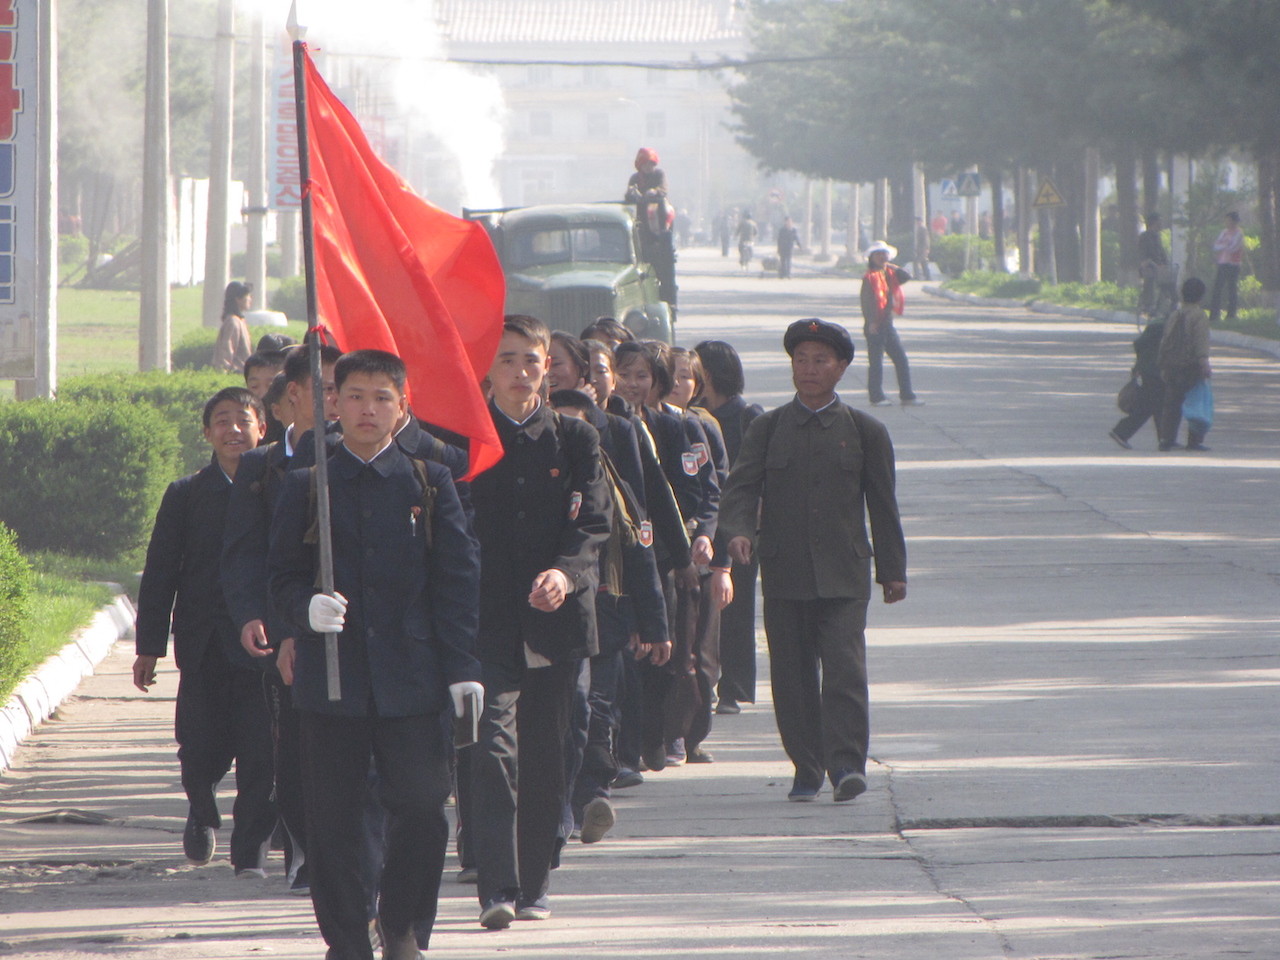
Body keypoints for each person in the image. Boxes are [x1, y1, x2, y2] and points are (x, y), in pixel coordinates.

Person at [269, 349, 481, 960]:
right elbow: (279, 576)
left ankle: (402, 924)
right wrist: (303, 609)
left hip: (413, 681)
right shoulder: (308, 484)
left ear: (402, 407)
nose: (367, 409)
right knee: (331, 824)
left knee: (421, 810)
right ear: (333, 402)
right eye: (355, 395)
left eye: (382, 398)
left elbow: (457, 582)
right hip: (332, 682)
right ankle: (347, 938)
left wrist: (464, 667)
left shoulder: (429, 482)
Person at [719, 319, 907, 803]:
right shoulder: (767, 428)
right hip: (785, 573)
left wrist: (892, 571)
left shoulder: (866, 432)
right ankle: (806, 765)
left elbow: (883, 506)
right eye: (801, 360)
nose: (809, 369)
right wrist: (739, 532)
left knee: (845, 669)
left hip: (845, 574)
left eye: (820, 360)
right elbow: (741, 488)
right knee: (793, 673)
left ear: (842, 368)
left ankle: (846, 764)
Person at [468, 316, 611, 929]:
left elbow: (594, 523)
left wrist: (565, 573)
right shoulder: (465, 441)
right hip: (483, 623)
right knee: (486, 752)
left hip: (556, 622)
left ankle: (534, 885)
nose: (522, 372)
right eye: (508, 360)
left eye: (532, 360)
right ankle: (496, 886)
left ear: (549, 365)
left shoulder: (575, 440)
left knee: (548, 757)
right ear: (488, 369)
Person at [134, 386, 276, 877]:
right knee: (197, 745)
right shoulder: (187, 493)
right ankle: (201, 807)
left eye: (243, 419)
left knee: (263, 752)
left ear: (263, 428)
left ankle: (250, 851)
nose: (233, 429)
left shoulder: (281, 486)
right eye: (222, 421)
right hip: (204, 644)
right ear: (207, 432)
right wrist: (149, 646)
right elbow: (160, 572)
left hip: (263, 646)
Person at [692, 340, 763, 716]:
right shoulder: (691, 415)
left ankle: (733, 687)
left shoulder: (747, 415)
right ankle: (705, 679)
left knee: (736, 609)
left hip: (738, 525)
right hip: (705, 519)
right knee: (704, 609)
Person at [860, 241, 920, 407]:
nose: (882, 257)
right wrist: (871, 322)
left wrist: (893, 267)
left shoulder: (890, 275)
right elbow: (866, 302)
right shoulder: (870, 277)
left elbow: (907, 276)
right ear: (871, 258)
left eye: (884, 254)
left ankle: (907, 395)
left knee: (901, 359)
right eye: (878, 254)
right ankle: (876, 397)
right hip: (875, 324)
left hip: (888, 323)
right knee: (876, 363)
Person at [1157, 278, 1212, 452]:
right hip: (1190, 366)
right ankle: (1194, 441)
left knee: (1172, 403)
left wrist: (1162, 365)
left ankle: (1166, 438)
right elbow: (1200, 342)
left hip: (1173, 365)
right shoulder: (1199, 316)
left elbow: (1165, 340)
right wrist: (1204, 363)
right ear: (1201, 296)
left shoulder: (1175, 314)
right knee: (1195, 401)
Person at [625, 148, 677, 310]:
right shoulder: (635, 178)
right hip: (641, 222)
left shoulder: (659, 175)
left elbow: (663, 189)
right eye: (645, 164)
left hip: (658, 221)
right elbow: (628, 196)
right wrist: (632, 194)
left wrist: (654, 192)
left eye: (650, 164)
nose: (648, 167)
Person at [1108, 319, 1165, 450]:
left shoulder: (1144, 346)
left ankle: (1164, 439)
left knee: (1155, 407)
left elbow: (1140, 363)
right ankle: (1121, 431)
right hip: (1156, 377)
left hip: (1147, 376)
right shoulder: (1157, 347)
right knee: (1152, 407)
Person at [1209, 211, 1244, 323]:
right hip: (1222, 263)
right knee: (1217, 288)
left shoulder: (1239, 233)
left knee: (1232, 289)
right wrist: (1225, 245)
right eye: (1226, 220)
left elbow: (1233, 247)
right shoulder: (1224, 232)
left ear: (1234, 221)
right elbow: (1216, 246)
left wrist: (1223, 245)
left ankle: (1231, 314)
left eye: (1229, 220)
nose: (1227, 222)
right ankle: (1214, 315)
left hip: (1233, 264)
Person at [213, 281, 254, 374]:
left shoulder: (239, 321)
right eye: (247, 296)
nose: (250, 299)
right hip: (236, 374)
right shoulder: (233, 322)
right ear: (238, 299)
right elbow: (225, 353)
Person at [1137, 212, 1169, 319]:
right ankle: (1148, 305)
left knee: (1168, 284)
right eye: (1160, 221)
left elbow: (1162, 252)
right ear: (1154, 223)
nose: (1162, 224)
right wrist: (1144, 262)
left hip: (1159, 267)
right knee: (1150, 278)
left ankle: (1162, 308)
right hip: (1149, 266)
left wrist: (1166, 263)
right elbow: (1142, 252)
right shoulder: (1145, 236)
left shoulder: (1158, 236)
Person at [911, 215, 932, 281]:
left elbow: (926, 239)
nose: (916, 222)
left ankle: (917, 276)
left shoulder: (923, 229)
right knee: (924, 263)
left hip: (923, 249)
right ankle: (927, 277)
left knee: (916, 262)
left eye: (917, 221)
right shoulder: (919, 228)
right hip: (920, 249)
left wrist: (927, 248)